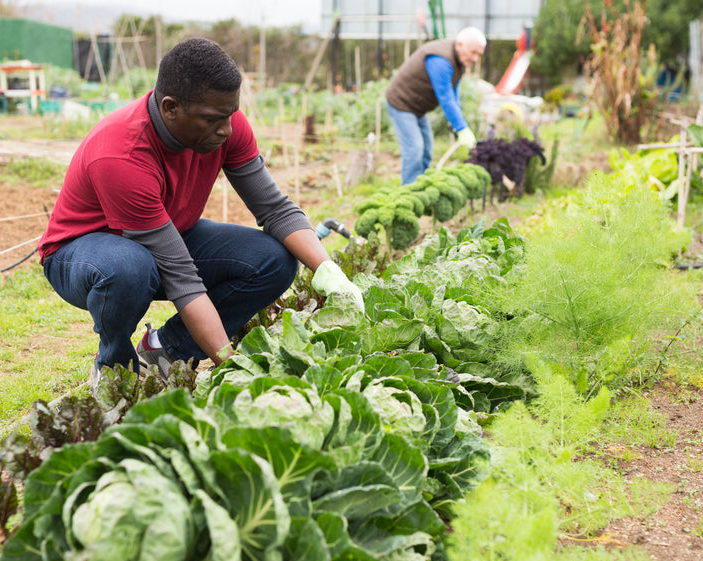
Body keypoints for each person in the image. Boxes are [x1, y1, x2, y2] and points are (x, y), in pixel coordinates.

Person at [38, 37, 362, 386]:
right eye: (213, 119)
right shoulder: (122, 155)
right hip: (83, 255)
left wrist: (328, 270)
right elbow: (181, 277)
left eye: (230, 114)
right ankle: (115, 370)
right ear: (170, 107)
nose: (226, 129)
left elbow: (274, 209)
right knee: (129, 268)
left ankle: (165, 351)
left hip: (166, 236)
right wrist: (229, 362)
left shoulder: (226, 125)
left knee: (274, 259)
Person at [384, 26, 487, 185]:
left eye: (479, 55)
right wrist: (462, 128)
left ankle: (420, 188)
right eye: (473, 52)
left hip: (418, 108)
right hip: (401, 102)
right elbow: (445, 97)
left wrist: (455, 122)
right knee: (414, 149)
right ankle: (408, 196)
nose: (475, 59)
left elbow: (454, 92)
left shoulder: (458, 60)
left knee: (426, 150)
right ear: (460, 45)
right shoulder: (440, 60)